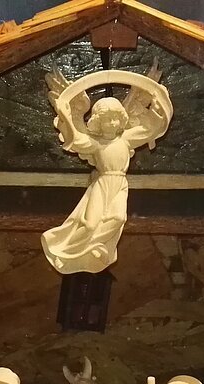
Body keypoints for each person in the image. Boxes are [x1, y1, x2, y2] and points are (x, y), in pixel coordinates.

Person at [42, 74, 172, 275]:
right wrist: (66, 115)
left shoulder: (127, 138)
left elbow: (150, 129)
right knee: (89, 224)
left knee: (118, 218)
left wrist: (158, 105)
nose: (112, 123)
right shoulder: (95, 143)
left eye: (115, 118)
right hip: (102, 184)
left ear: (121, 119)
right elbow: (74, 139)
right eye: (106, 120)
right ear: (97, 122)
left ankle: (96, 245)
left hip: (119, 183)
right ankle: (65, 250)